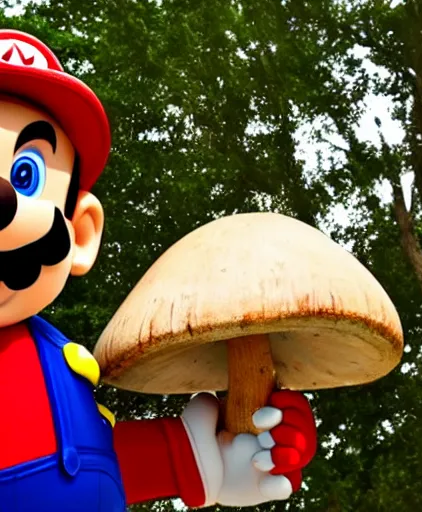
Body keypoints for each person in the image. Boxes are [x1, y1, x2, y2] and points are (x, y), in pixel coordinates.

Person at [0, 29, 317, 511]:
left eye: (26, 176)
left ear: (81, 233)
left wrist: (211, 461)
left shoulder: (63, 368)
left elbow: (91, 462)